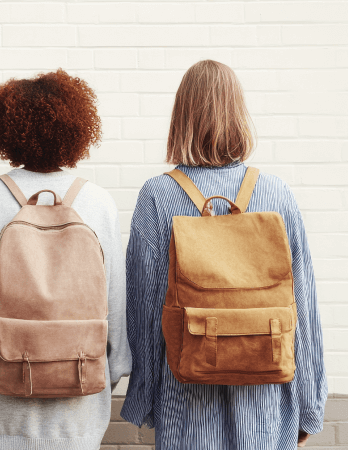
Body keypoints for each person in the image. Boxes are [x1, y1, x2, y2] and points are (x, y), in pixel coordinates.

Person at [121, 60, 328, 449]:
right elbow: (304, 308)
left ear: (181, 118)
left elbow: (145, 311)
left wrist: (145, 397)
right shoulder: (277, 194)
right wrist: (310, 406)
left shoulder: (157, 196)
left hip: (184, 405)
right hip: (267, 404)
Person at [0, 69, 132, 449]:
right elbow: (115, 310)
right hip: (77, 412)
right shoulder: (97, 203)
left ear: (5, 132)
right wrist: (104, 376)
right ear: (76, 131)